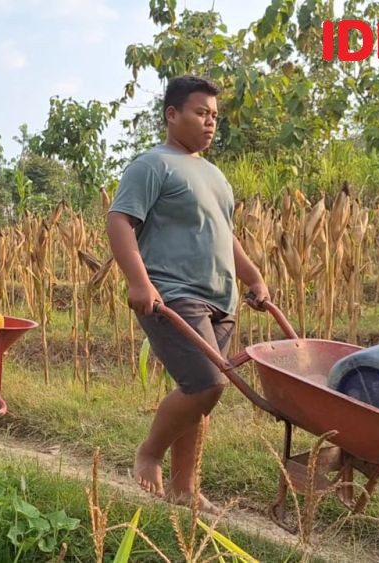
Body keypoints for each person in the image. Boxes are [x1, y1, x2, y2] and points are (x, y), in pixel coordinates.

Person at [106, 76, 271, 513]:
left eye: (215, 116)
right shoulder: (152, 164)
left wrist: (253, 276)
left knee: (204, 396)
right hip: (173, 294)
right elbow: (120, 221)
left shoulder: (215, 176)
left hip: (222, 299)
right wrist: (139, 282)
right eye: (201, 113)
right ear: (172, 114)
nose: (210, 122)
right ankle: (149, 453)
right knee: (205, 385)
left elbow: (224, 235)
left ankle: (184, 487)